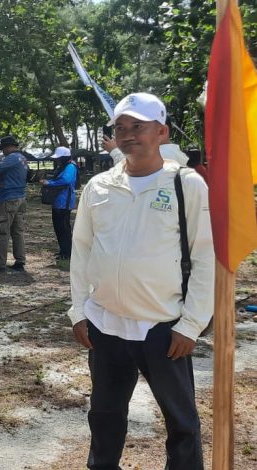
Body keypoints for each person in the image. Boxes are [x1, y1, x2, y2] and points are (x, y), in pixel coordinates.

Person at [69, 92, 213, 470]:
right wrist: (79, 311)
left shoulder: (186, 184)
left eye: (138, 126)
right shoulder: (99, 186)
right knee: (104, 414)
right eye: (120, 128)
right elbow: (82, 250)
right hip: (105, 324)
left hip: (162, 328)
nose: (128, 135)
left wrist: (191, 325)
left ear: (162, 132)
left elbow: (204, 257)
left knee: (181, 422)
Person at [0, 136, 28, 272]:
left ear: (8, 147)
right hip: (20, 197)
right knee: (17, 231)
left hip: (9, 198)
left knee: (2, 231)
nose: (3, 152)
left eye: (3, 149)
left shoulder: (11, 158)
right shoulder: (22, 157)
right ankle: (20, 260)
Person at [40, 146, 78, 268]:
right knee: (58, 227)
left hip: (64, 202)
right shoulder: (63, 166)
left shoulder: (70, 166)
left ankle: (67, 253)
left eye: (59, 158)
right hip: (58, 201)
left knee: (64, 228)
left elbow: (66, 180)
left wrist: (49, 183)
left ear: (64, 157)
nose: (57, 160)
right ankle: (63, 250)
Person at [103, 114, 189, 166]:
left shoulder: (163, 154)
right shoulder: (171, 153)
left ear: (161, 131)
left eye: (138, 127)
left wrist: (114, 151)